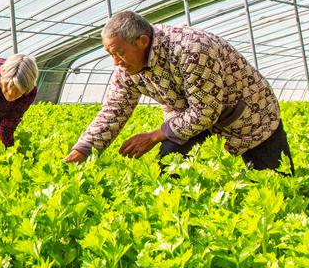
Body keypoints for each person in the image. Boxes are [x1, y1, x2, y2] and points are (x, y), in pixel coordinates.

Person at [64, 11, 293, 174]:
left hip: (249, 114)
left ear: (142, 41)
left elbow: (204, 112)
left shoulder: (191, 49)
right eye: (109, 54)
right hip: (187, 118)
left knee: (274, 182)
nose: (115, 62)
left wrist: (154, 136)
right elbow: (114, 110)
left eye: (118, 52)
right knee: (169, 163)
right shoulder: (127, 69)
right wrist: (84, 148)